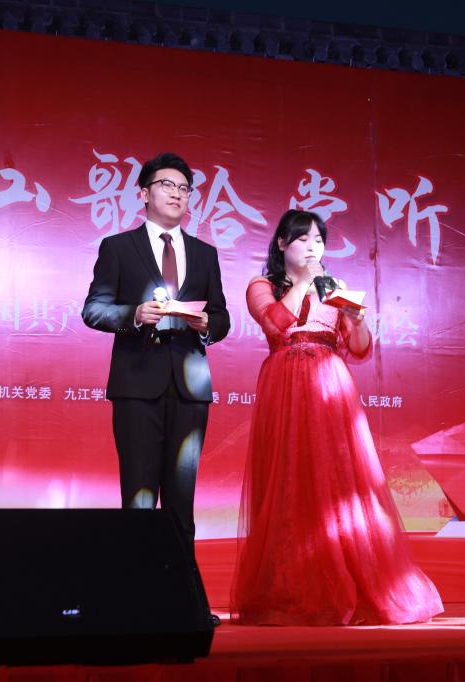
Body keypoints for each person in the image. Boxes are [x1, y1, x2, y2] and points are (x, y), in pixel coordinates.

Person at [231, 209, 443, 626]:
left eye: (319, 240)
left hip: (330, 385)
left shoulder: (336, 288)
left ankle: (354, 580)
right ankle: (290, 586)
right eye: (303, 239)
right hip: (285, 382)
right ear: (281, 244)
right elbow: (275, 324)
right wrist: (304, 282)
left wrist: (357, 320)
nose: (313, 247)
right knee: (289, 479)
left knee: (337, 481)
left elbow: (359, 348)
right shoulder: (263, 285)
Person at [81, 152, 230, 551]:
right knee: (139, 495)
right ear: (145, 194)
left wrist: (207, 324)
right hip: (137, 384)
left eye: (184, 188)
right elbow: (93, 309)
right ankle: (138, 584)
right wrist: (134, 314)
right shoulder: (118, 247)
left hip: (190, 388)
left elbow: (221, 316)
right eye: (167, 185)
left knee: (182, 500)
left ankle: (183, 587)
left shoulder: (205, 253)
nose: (177, 194)